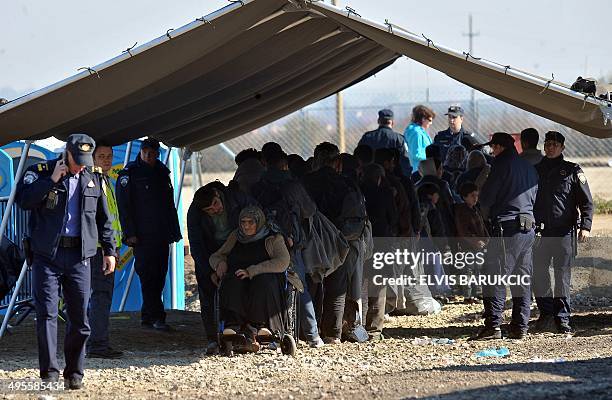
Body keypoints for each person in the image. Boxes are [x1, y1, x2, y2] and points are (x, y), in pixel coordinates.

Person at [16, 133, 116, 390]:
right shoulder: (40, 171)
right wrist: (51, 181)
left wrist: (110, 251)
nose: (80, 166)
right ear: (66, 154)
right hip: (46, 256)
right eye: (77, 160)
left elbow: (104, 219)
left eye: (85, 160)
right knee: (47, 314)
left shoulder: (93, 177)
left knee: (79, 318)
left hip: (79, 257)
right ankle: (49, 373)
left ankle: (74, 373)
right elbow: (23, 201)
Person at [472, 132, 538, 340]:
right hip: (528, 227)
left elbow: (487, 197)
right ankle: (520, 326)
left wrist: (484, 215)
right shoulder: (528, 167)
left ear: (499, 147)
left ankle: (493, 326)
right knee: (522, 278)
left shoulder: (500, 165)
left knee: (495, 275)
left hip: (507, 228)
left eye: (493, 148)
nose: (492, 151)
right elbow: (535, 195)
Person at [115, 138, 181, 331]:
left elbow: (169, 206)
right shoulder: (130, 174)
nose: (149, 156)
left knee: (160, 273)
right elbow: (124, 207)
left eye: (153, 153)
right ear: (141, 152)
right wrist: (130, 234)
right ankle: (157, 316)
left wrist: (173, 231)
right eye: (146, 152)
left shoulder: (162, 172)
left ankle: (147, 314)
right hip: (142, 235)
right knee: (147, 274)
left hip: (160, 233)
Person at [532, 131, 593, 334]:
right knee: (538, 273)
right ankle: (546, 313)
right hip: (540, 232)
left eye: (555, 144)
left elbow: (586, 201)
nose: (550, 147)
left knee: (562, 276)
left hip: (564, 232)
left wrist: (585, 225)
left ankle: (562, 318)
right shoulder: (535, 170)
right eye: (548, 144)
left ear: (562, 148)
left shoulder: (572, 170)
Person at [209, 206, 291, 352]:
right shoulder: (236, 236)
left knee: (263, 282)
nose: (246, 226)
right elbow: (217, 255)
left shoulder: (273, 238)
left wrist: (252, 271)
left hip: (265, 277)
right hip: (240, 277)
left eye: (250, 222)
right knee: (233, 281)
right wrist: (219, 264)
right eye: (243, 222)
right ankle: (233, 326)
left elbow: (283, 262)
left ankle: (261, 326)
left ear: (258, 222)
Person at [187, 181, 256, 353]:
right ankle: (213, 338)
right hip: (210, 253)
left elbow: (257, 220)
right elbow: (196, 246)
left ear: (218, 194)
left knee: (242, 285)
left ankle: (246, 332)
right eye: (209, 210)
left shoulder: (238, 199)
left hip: (240, 248)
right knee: (207, 290)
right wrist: (210, 271)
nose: (215, 210)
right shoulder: (194, 213)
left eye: (216, 205)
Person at [302, 142, 354, 344]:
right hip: (340, 241)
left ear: (315, 161)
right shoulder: (346, 184)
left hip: (310, 241)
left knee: (311, 284)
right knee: (337, 287)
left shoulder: (304, 182)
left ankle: (310, 332)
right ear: (337, 163)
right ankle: (332, 333)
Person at [86, 142, 123, 359]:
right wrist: (108, 249)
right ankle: (97, 345)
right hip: (99, 251)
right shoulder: (94, 181)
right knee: (100, 297)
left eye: (109, 156)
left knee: (100, 297)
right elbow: (100, 220)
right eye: (101, 156)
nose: (107, 160)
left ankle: (95, 343)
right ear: (92, 159)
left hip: (107, 248)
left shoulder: (106, 181)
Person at [455, 182, 489, 303]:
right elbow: (463, 231)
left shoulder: (476, 209)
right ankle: (468, 296)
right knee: (468, 271)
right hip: (467, 246)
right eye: (472, 195)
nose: (475, 198)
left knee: (478, 270)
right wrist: (476, 241)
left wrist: (486, 239)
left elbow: (482, 226)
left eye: (476, 195)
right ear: (464, 197)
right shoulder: (461, 211)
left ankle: (477, 293)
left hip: (479, 246)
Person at [358, 109, 412, 176]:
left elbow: (359, 157)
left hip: (370, 176)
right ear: (392, 122)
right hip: (393, 178)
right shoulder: (399, 139)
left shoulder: (367, 137)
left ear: (378, 121)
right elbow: (405, 162)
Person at [404, 105, 435, 174]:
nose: (431, 123)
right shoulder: (416, 133)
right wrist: (432, 158)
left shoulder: (419, 131)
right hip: (419, 171)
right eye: (429, 120)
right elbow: (416, 154)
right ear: (423, 119)